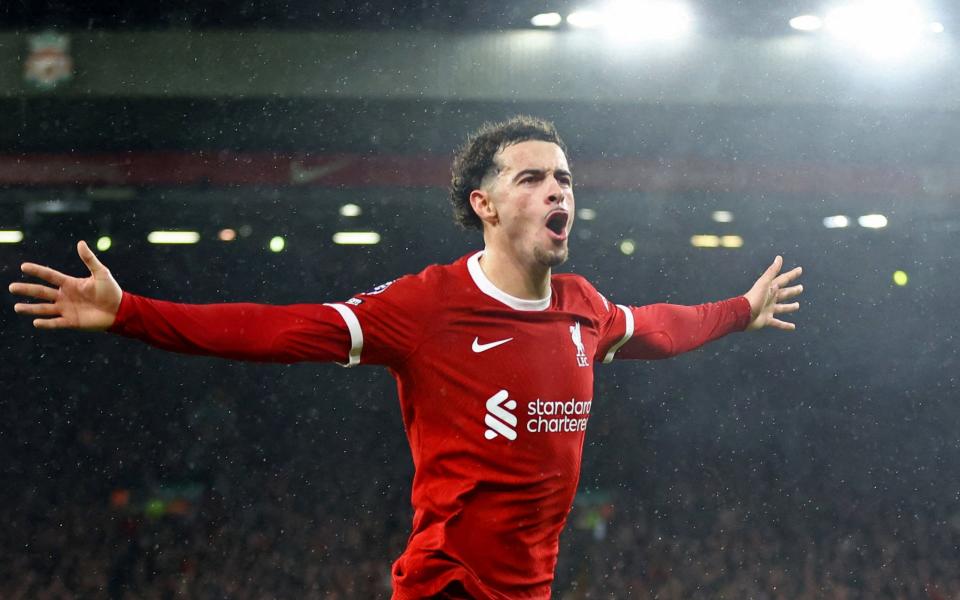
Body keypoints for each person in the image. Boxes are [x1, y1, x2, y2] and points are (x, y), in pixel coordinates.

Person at [9, 116, 803, 599]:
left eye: (565, 179)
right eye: (533, 179)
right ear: (483, 206)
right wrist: (130, 313)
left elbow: (662, 327)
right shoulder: (427, 307)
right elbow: (280, 330)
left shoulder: (584, 308)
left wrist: (739, 310)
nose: (559, 191)